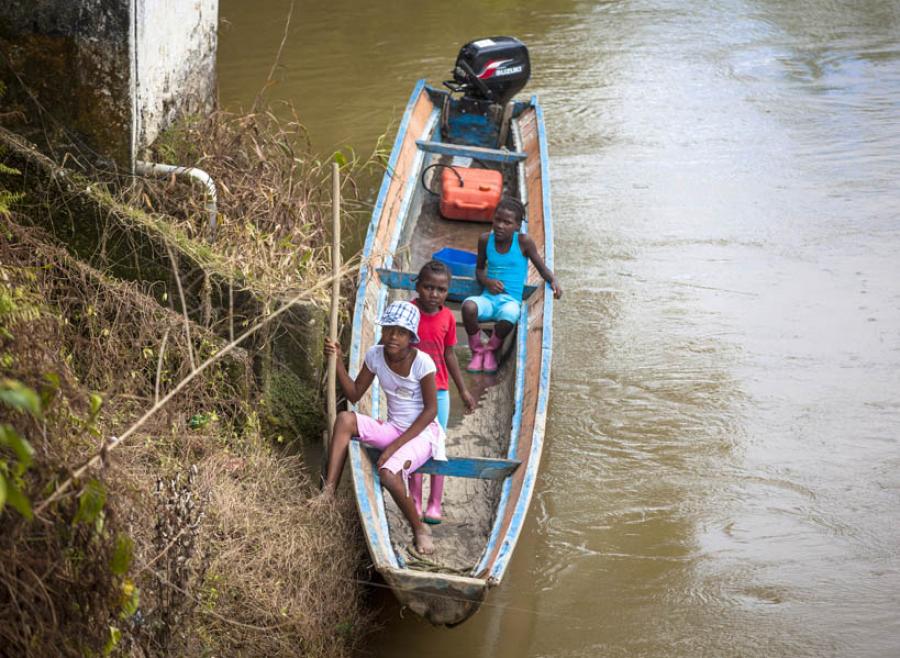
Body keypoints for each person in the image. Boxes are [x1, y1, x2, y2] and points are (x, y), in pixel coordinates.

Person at [322, 300, 444, 554]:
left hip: (422, 433)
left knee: (388, 473)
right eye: (388, 329)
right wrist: (339, 362)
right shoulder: (375, 355)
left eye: (401, 332)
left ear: (411, 337)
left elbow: (431, 411)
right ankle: (327, 493)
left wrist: (393, 448)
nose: (392, 337)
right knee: (345, 419)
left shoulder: (423, 363)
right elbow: (354, 394)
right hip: (393, 428)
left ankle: (419, 528)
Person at [409, 260, 477, 525]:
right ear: (417, 286)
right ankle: (414, 499)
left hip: (438, 391)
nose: (434, 294)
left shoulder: (448, 317)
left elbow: (449, 354)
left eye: (440, 289)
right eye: (428, 287)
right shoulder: (409, 312)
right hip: (411, 391)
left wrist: (463, 390)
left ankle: (434, 503)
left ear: (448, 292)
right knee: (414, 444)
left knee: (437, 445)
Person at [462, 197, 563, 373]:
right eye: (497, 220)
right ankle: (477, 351)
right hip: (488, 299)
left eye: (507, 222)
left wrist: (553, 280)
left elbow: (541, 268)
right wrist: (487, 281)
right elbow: (479, 270)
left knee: (510, 315)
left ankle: (491, 350)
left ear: (517, 226)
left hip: (510, 301)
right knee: (469, 306)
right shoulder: (485, 240)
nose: (500, 225)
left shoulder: (524, 242)